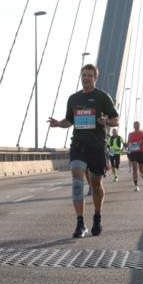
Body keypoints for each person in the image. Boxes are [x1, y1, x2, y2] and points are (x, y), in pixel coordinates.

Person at [47, 63, 119, 238]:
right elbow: (69, 121)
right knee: (77, 183)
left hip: (97, 147)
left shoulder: (103, 97)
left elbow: (116, 120)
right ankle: (80, 224)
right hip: (78, 146)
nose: (86, 78)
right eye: (84, 75)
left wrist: (106, 122)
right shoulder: (73, 99)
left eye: (90, 75)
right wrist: (58, 124)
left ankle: (97, 216)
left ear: (95, 78)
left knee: (96, 185)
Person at [125, 121, 143, 192]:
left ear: (139, 126)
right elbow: (128, 142)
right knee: (134, 169)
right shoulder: (130, 134)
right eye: (135, 125)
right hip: (133, 152)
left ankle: (141, 173)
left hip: (141, 152)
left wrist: (142, 142)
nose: (136, 127)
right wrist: (128, 145)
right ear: (133, 126)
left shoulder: (142, 133)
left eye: (137, 125)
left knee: (141, 169)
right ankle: (136, 185)